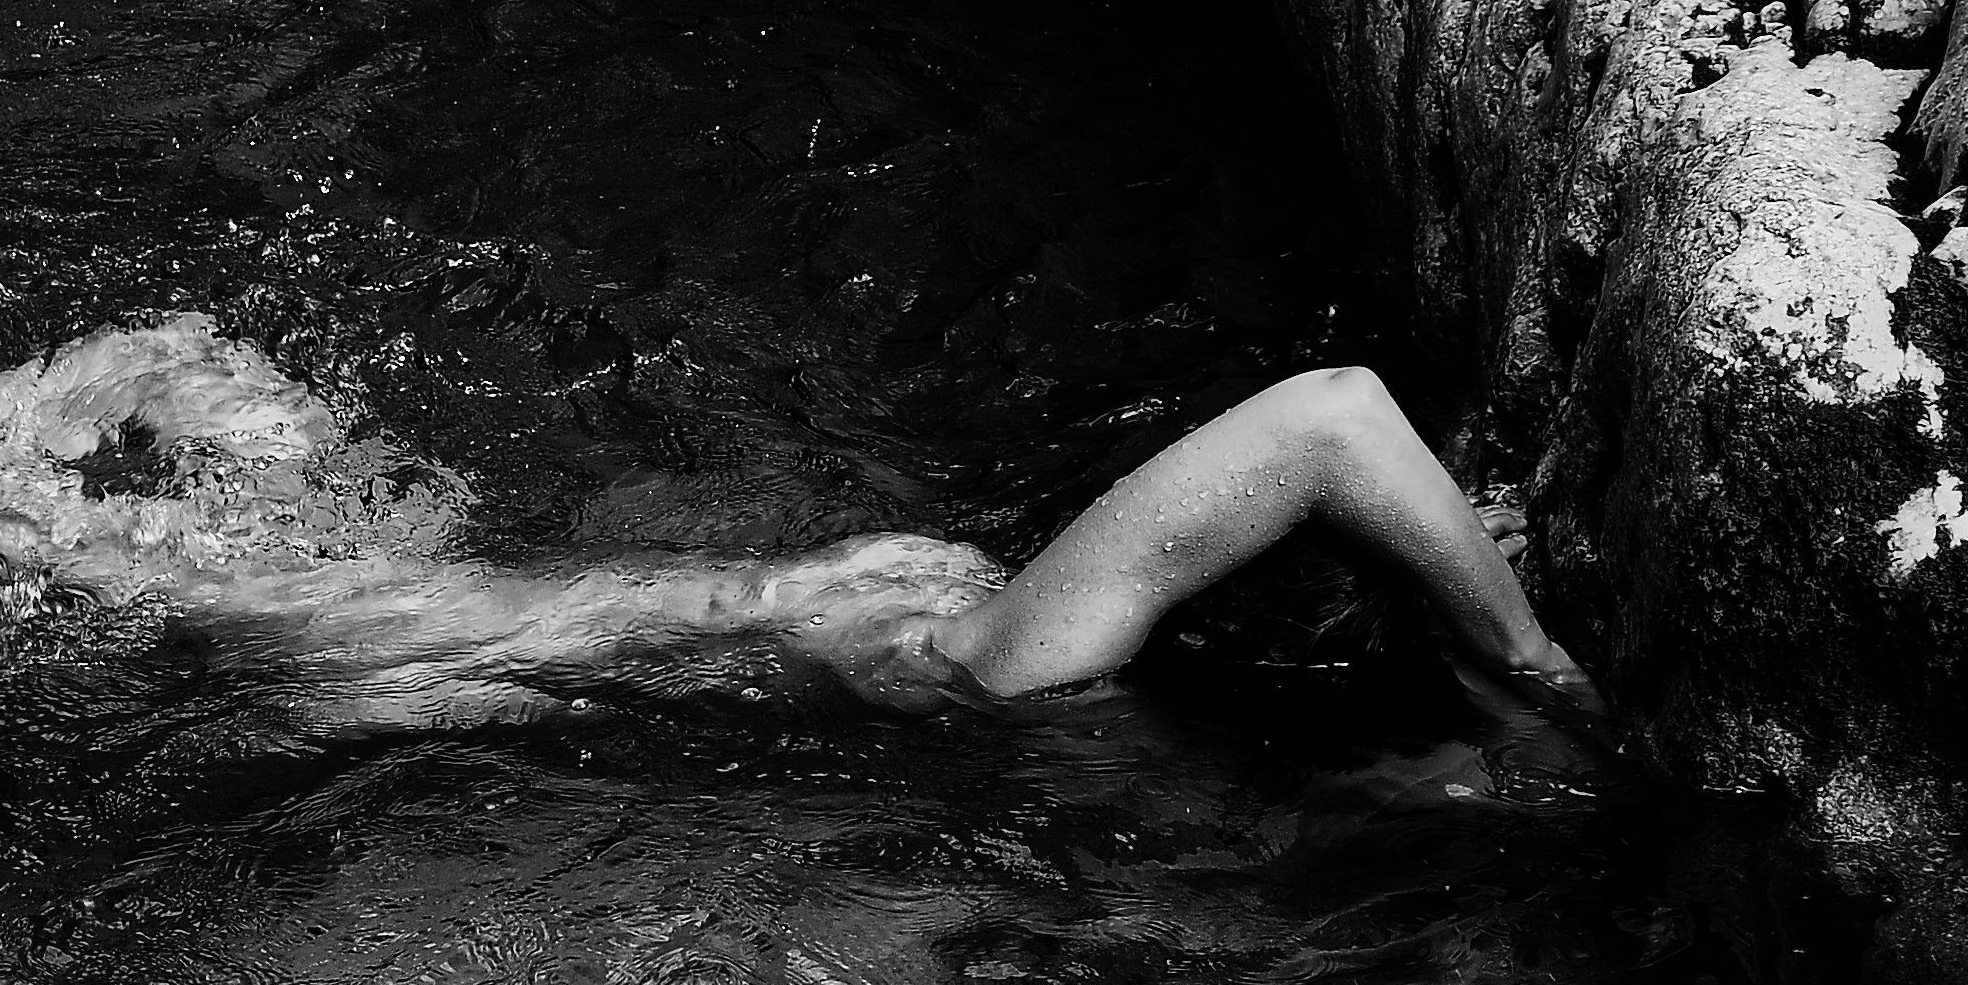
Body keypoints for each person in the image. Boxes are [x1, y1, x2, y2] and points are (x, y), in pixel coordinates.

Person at [187, 364, 1605, 735]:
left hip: (636, 627)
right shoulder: (1029, 655)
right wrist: (1533, 664)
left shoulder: (1052, 642)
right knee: (220, 608)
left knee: (316, 602)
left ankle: (132, 411)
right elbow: (1333, 418)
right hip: (577, 638)